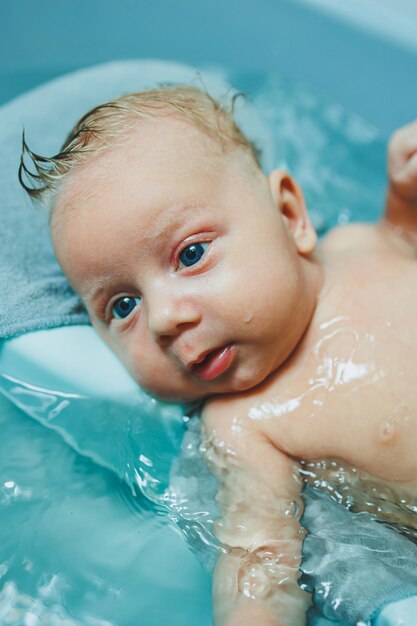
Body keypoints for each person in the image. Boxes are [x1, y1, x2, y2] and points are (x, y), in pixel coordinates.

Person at [19, 86, 417, 626]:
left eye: (190, 254)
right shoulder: (242, 426)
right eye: (123, 305)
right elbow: (258, 560)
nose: (163, 319)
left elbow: (406, 237)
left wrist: (405, 198)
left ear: (290, 213)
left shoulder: (361, 242)